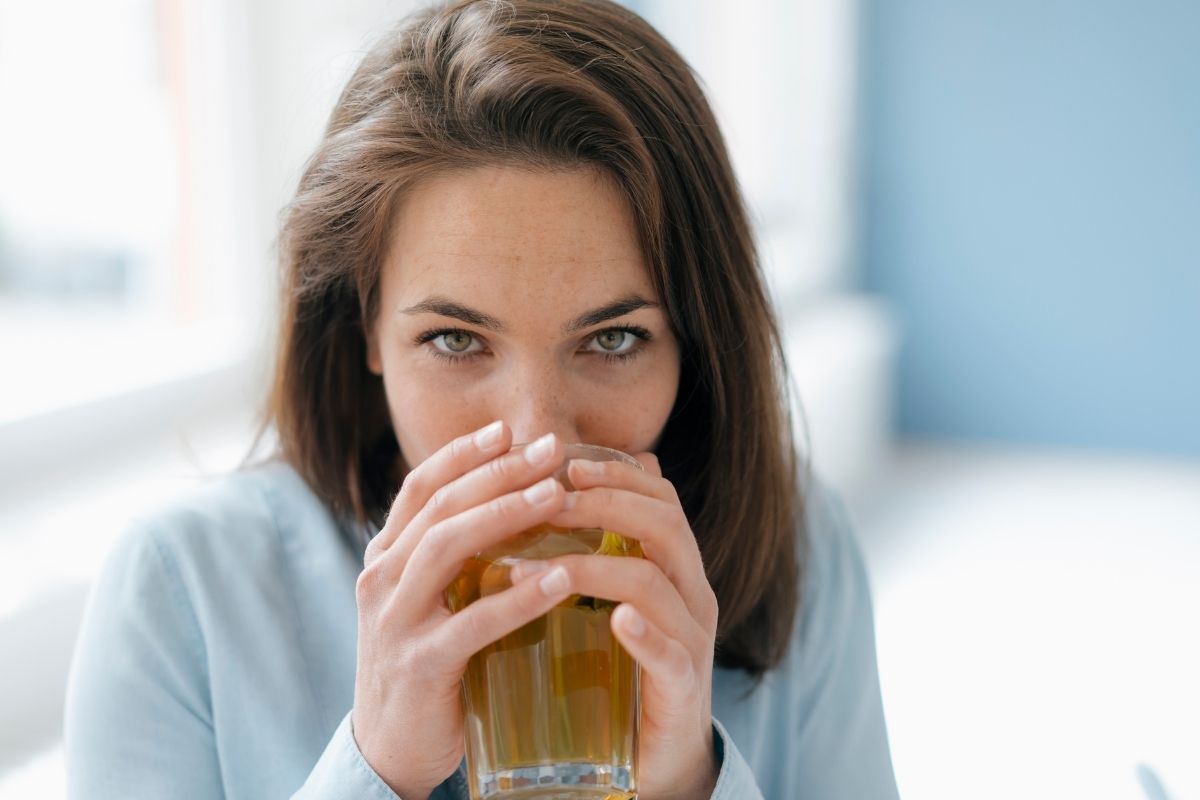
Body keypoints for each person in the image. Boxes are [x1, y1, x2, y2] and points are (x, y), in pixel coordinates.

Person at [64, 1, 898, 797]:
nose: (537, 439)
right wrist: (375, 767)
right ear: (363, 329)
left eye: (612, 340)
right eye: (456, 341)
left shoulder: (801, 546)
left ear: (697, 341)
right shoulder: (180, 592)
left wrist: (688, 787)